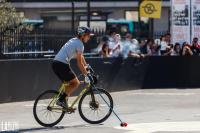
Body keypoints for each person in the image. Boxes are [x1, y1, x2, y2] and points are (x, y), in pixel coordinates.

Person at [52, 26, 94, 109]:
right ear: (83, 35)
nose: (89, 38)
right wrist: (87, 75)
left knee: (69, 85)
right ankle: (61, 100)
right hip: (62, 64)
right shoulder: (80, 44)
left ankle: (64, 103)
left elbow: (81, 57)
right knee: (76, 83)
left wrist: (87, 66)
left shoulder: (74, 40)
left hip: (56, 64)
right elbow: (79, 63)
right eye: (88, 36)